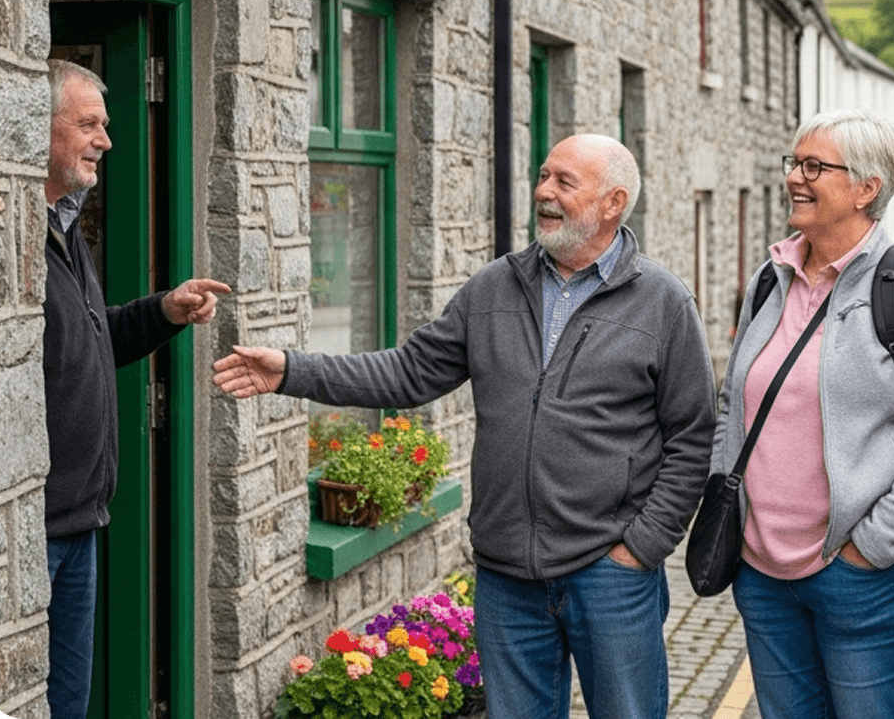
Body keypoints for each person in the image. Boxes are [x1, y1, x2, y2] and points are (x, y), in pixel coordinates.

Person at [214, 133, 716, 719]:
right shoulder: (496, 286)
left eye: (563, 182)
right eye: (543, 175)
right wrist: (292, 371)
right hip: (507, 576)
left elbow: (692, 436)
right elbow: (408, 372)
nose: (543, 192)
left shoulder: (662, 302)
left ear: (613, 203)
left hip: (610, 572)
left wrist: (642, 546)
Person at [712, 109, 894, 719]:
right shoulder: (769, 280)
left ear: (866, 188)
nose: (795, 179)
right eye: (794, 164)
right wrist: (737, 514)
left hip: (870, 580)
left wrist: (871, 547)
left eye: (814, 167)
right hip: (763, 574)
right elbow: (733, 401)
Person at [43, 59, 230, 719]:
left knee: (68, 702)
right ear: (41, 128)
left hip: (79, 523)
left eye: (107, 125)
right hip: (31, 533)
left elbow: (91, 344)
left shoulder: (65, 231)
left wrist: (163, 312)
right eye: (89, 124)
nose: (106, 140)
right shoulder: (12, 237)